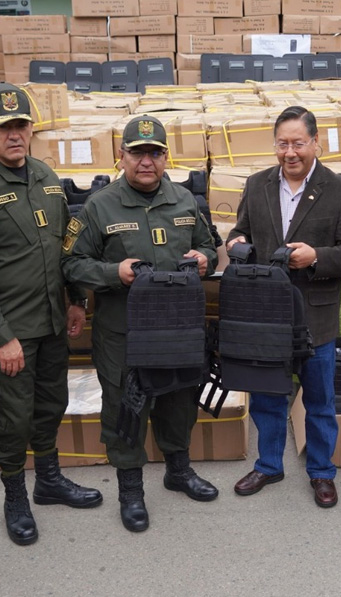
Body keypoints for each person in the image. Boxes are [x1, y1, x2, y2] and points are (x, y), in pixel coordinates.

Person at [0, 83, 99, 547]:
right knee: (12, 419)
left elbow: (63, 246)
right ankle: (15, 495)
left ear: (32, 127)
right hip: (9, 333)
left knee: (50, 405)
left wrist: (76, 300)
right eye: (4, 127)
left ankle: (49, 480)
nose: (15, 135)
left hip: (51, 322)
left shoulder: (45, 175)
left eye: (21, 126)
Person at [61, 114, 219, 532]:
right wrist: (115, 274)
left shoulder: (186, 201)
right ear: (121, 156)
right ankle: (130, 490)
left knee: (178, 400)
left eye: (154, 153)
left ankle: (178, 469)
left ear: (165, 157)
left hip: (178, 327)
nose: (145, 161)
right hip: (123, 332)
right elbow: (72, 264)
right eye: (137, 153)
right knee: (125, 408)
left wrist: (207, 259)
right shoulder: (99, 206)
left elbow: (208, 245)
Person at [227, 106, 341, 508]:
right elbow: (240, 230)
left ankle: (322, 472)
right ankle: (268, 465)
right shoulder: (256, 185)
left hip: (315, 317)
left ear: (315, 143)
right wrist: (234, 244)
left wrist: (316, 257)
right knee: (268, 396)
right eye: (283, 143)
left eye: (298, 143)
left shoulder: (339, 190)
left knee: (319, 399)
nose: (290, 152)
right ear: (275, 145)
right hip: (266, 316)